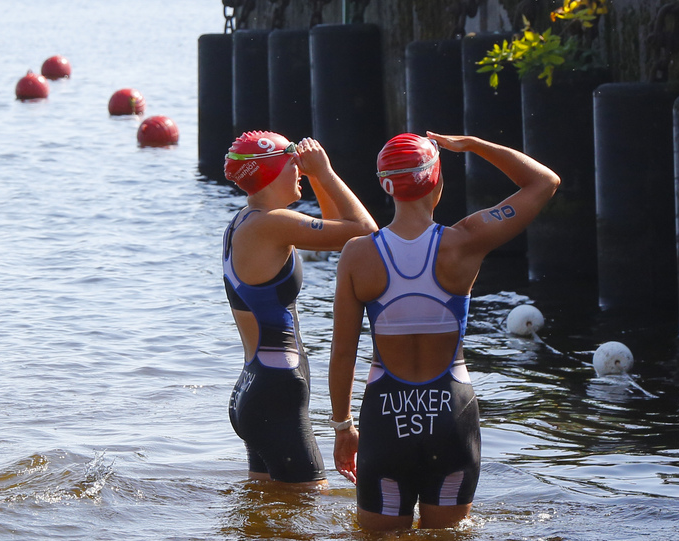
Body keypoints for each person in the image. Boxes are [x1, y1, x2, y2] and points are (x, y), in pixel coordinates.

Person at [328, 133, 558, 531]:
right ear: (436, 182)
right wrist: (473, 145)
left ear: (386, 185)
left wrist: (343, 427)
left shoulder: (358, 254)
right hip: (452, 415)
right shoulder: (465, 241)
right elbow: (544, 182)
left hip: (386, 417)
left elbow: (343, 352)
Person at [223, 132, 378, 487]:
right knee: (312, 509)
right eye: (293, 165)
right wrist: (325, 173)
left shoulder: (248, 220)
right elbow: (365, 233)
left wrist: (316, 177)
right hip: (278, 392)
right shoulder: (272, 224)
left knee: (267, 507)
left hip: (255, 388)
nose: (300, 172)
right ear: (273, 171)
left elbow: (336, 233)